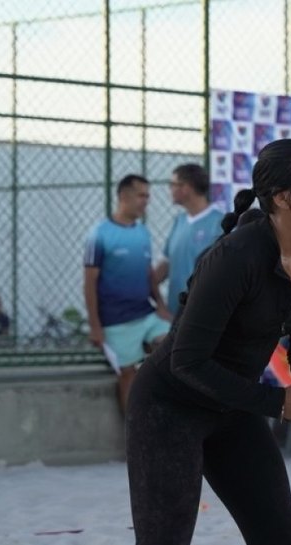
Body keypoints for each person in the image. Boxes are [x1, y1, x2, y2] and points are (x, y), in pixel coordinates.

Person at [126, 139, 291, 545]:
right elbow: (187, 361)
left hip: (234, 405)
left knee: (279, 537)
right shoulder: (236, 256)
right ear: (282, 197)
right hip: (169, 406)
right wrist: (277, 402)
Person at [83, 174, 171, 414]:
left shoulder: (142, 232)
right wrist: (95, 326)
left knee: (172, 349)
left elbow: (148, 273)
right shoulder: (98, 234)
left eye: (148, 196)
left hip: (147, 314)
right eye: (141, 196)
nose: (146, 201)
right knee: (128, 375)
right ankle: (133, 433)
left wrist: (161, 306)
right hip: (116, 321)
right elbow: (89, 283)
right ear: (124, 196)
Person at [154, 163, 225, 315]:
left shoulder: (220, 223)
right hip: (175, 313)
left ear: (186, 187)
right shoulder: (179, 221)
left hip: (204, 314)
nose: (170, 189)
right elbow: (166, 263)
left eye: (173, 184)